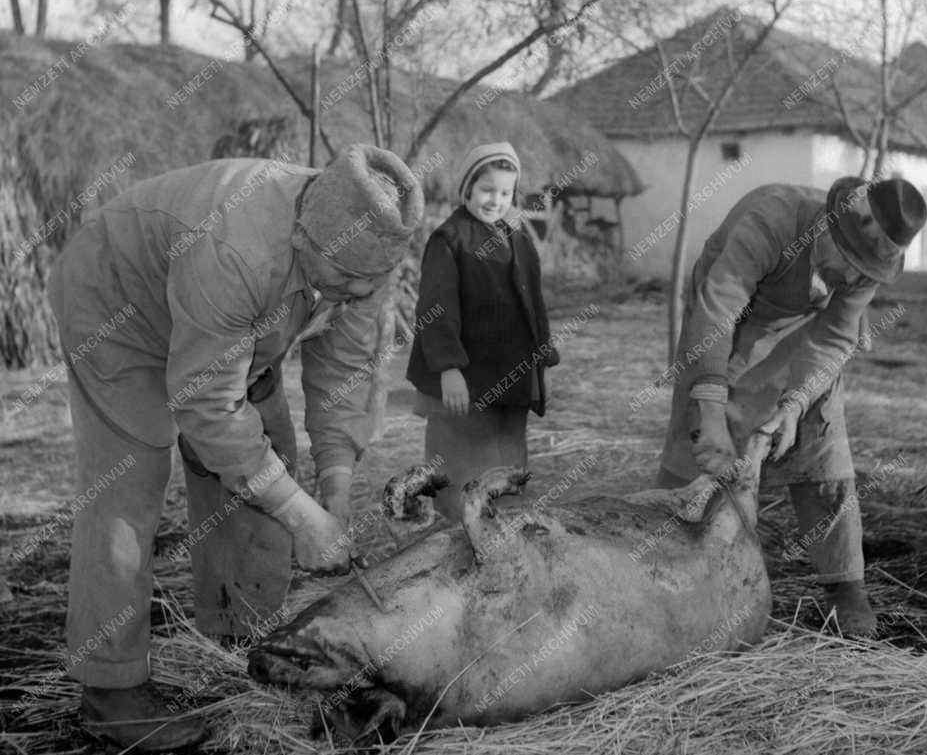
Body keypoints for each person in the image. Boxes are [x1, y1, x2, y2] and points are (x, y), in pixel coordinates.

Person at [47, 145, 424, 752]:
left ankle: (239, 637)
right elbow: (208, 408)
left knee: (268, 450)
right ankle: (110, 688)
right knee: (129, 476)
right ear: (303, 237)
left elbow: (344, 378)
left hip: (230, 325)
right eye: (345, 280)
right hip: (118, 305)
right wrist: (302, 518)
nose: (356, 292)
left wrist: (334, 493)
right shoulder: (235, 246)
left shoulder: (368, 256)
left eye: (368, 284)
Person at [657, 176, 927, 638]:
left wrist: (795, 403)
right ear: (827, 228)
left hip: (803, 332)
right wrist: (709, 408)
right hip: (730, 321)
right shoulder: (770, 219)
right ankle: (668, 569)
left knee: (824, 448)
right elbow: (719, 306)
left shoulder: (870, 264)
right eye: (848, 264)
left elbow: (836, 336)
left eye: (862, 272)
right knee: (703, 454)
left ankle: (846, 587)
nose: (851, 278)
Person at [406, 142, 558, 521]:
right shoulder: (450, 240)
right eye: (488, 190)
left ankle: (506, 541)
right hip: (465, 385)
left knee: (506, 465)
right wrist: (448, 368)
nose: (496, 200)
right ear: (468, 188)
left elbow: (534, 308)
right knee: (459, 472)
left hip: (513, 381)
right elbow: (435, 310)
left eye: (506, 193)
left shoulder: (518, 239)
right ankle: (453, 541)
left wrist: (541, 366)